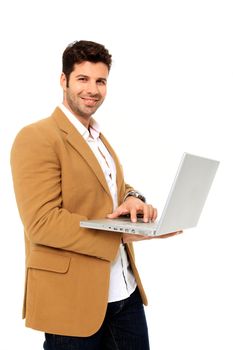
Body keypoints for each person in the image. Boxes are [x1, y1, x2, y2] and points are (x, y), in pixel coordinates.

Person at [11, 40, 179, 350]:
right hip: (71, 301)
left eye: (100, 81)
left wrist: (134, 199)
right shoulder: (37, 137)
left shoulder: (98, 138)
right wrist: (120, 235)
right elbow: (42, 222)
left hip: (124, 296)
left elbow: (116, 188)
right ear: (64, 81)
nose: (93, 89)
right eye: (83, 79)